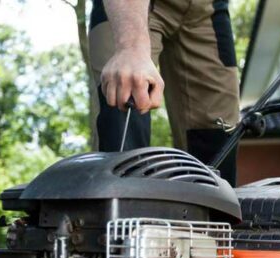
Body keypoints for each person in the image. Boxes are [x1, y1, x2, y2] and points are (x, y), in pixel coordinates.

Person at [89, 0, 240, 186]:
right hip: (132, 7)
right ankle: (120, 210)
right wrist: (131, 47)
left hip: (208, 9)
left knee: (217, 141)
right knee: (124, 111)